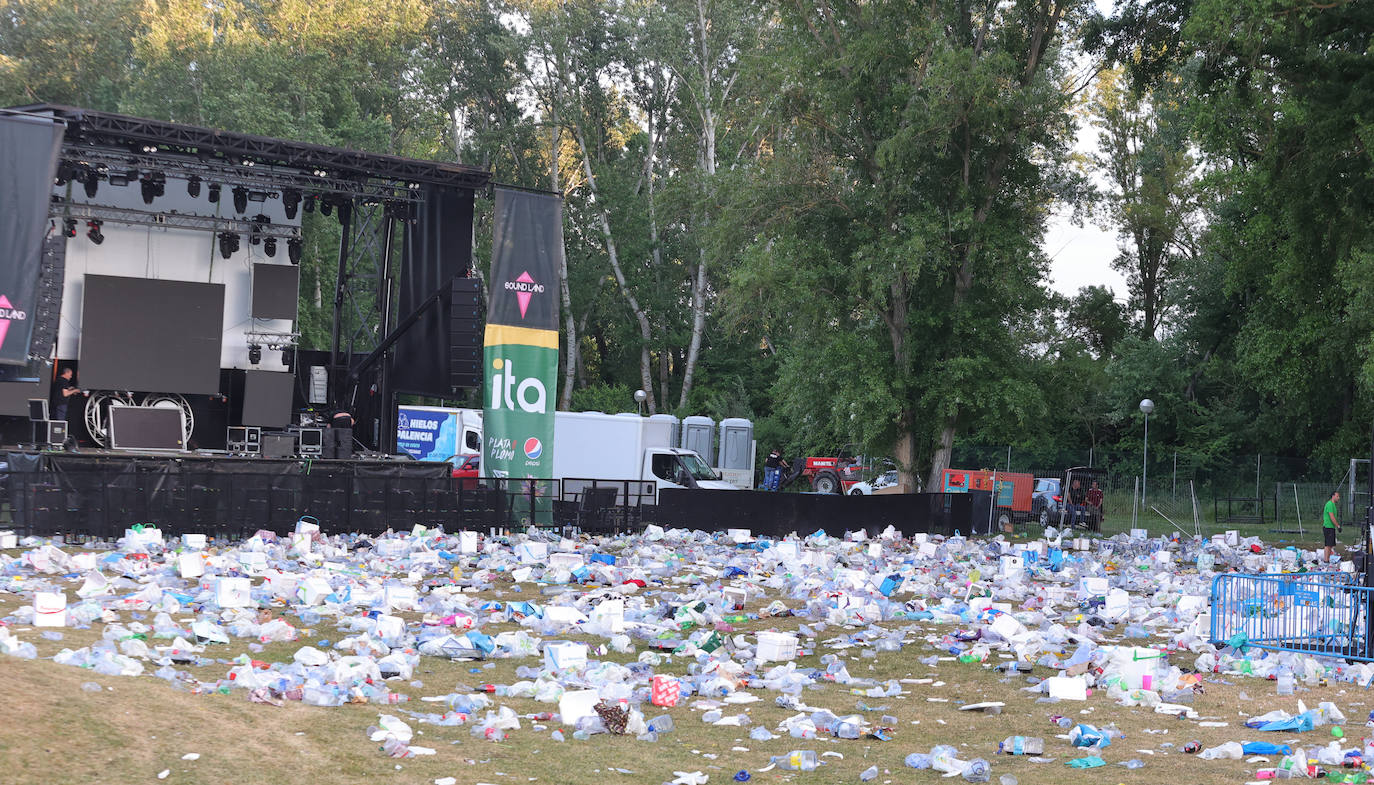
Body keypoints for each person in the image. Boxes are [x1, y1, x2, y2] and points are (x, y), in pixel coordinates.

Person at [1323, 490, 1342, 564]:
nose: (1338, 498)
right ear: (1333, 496)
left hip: (1331, 527)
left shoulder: (1333, 505)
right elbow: (1332, 516)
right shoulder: (1330, 504)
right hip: (1328, 527)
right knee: (1328, 545)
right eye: (1337, 496)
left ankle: (1327, 560)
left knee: (1330, 545)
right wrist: (1338, 526)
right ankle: (1326, 561)